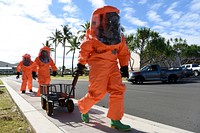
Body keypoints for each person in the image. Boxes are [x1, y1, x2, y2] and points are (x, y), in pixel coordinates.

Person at [76, 6, 131, 131]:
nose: (112, 20)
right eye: (110, 17)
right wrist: (81, 64)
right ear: (102, 19)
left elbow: (123, 52)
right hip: (98, 65)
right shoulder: (93, 34)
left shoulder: (118, 36)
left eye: (114, 17)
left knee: (118, 90)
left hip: (112, 64)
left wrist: (124, 66)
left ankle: (115, 120)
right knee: (97, 93)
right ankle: (83, 107)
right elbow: (85, 50)